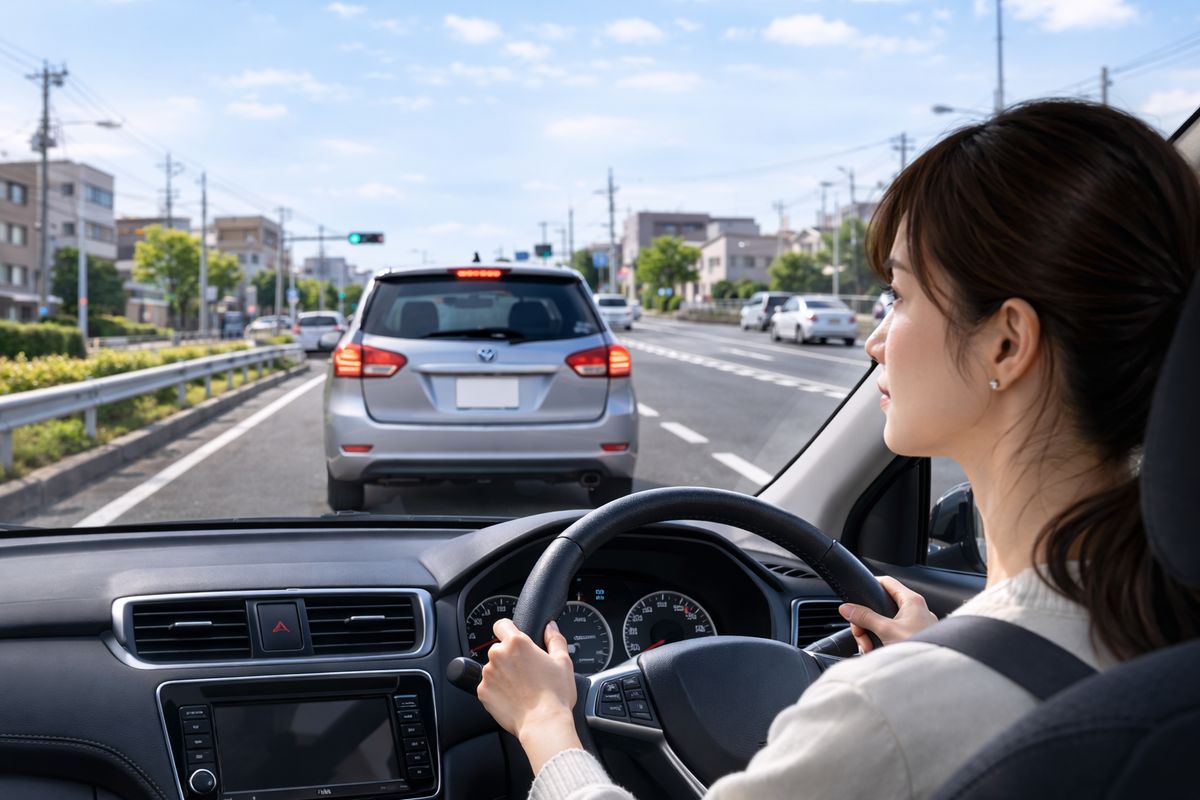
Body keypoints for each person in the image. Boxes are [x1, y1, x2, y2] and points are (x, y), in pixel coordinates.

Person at [476, 100, 1200, 800]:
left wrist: (545, 724)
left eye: (901, 294)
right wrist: (950, 645)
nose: (874, 338)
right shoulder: (1166, 637)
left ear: (1006, 342)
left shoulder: (892, 714)